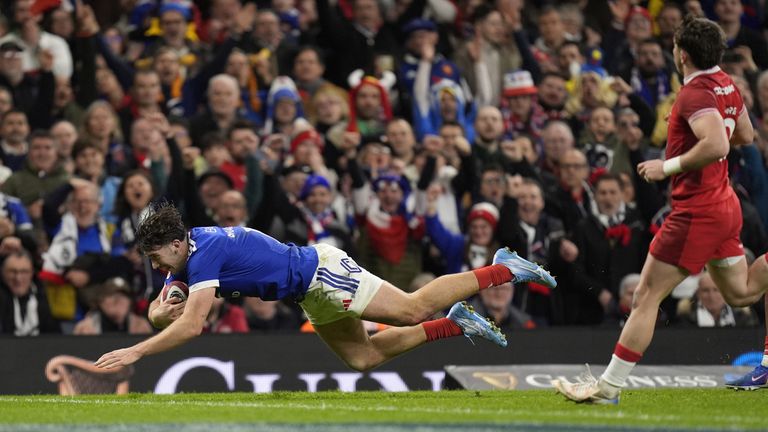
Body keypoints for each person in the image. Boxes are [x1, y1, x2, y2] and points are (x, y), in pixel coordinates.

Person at [553, 15, 768, 404]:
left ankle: (608, 388)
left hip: (697, 213)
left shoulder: (695, 93)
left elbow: (719, 145)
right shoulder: (727, 85)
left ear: (681, 54)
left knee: (645, 297)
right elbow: (747, 136)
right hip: (723, 206)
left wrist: (666, 166)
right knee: (742, 294)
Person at [94, 203, 557, 371]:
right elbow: (161, 314)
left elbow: (194, 326)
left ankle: (502, 268)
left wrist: (136, 351)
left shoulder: (206, 253)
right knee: (363, 358)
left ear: (176, 243)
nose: (156, 267)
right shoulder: (186, 260)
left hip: (321, 272)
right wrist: (165, 303)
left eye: (157, 258)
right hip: (307, 292)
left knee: (412, 308)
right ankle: (455, 324)